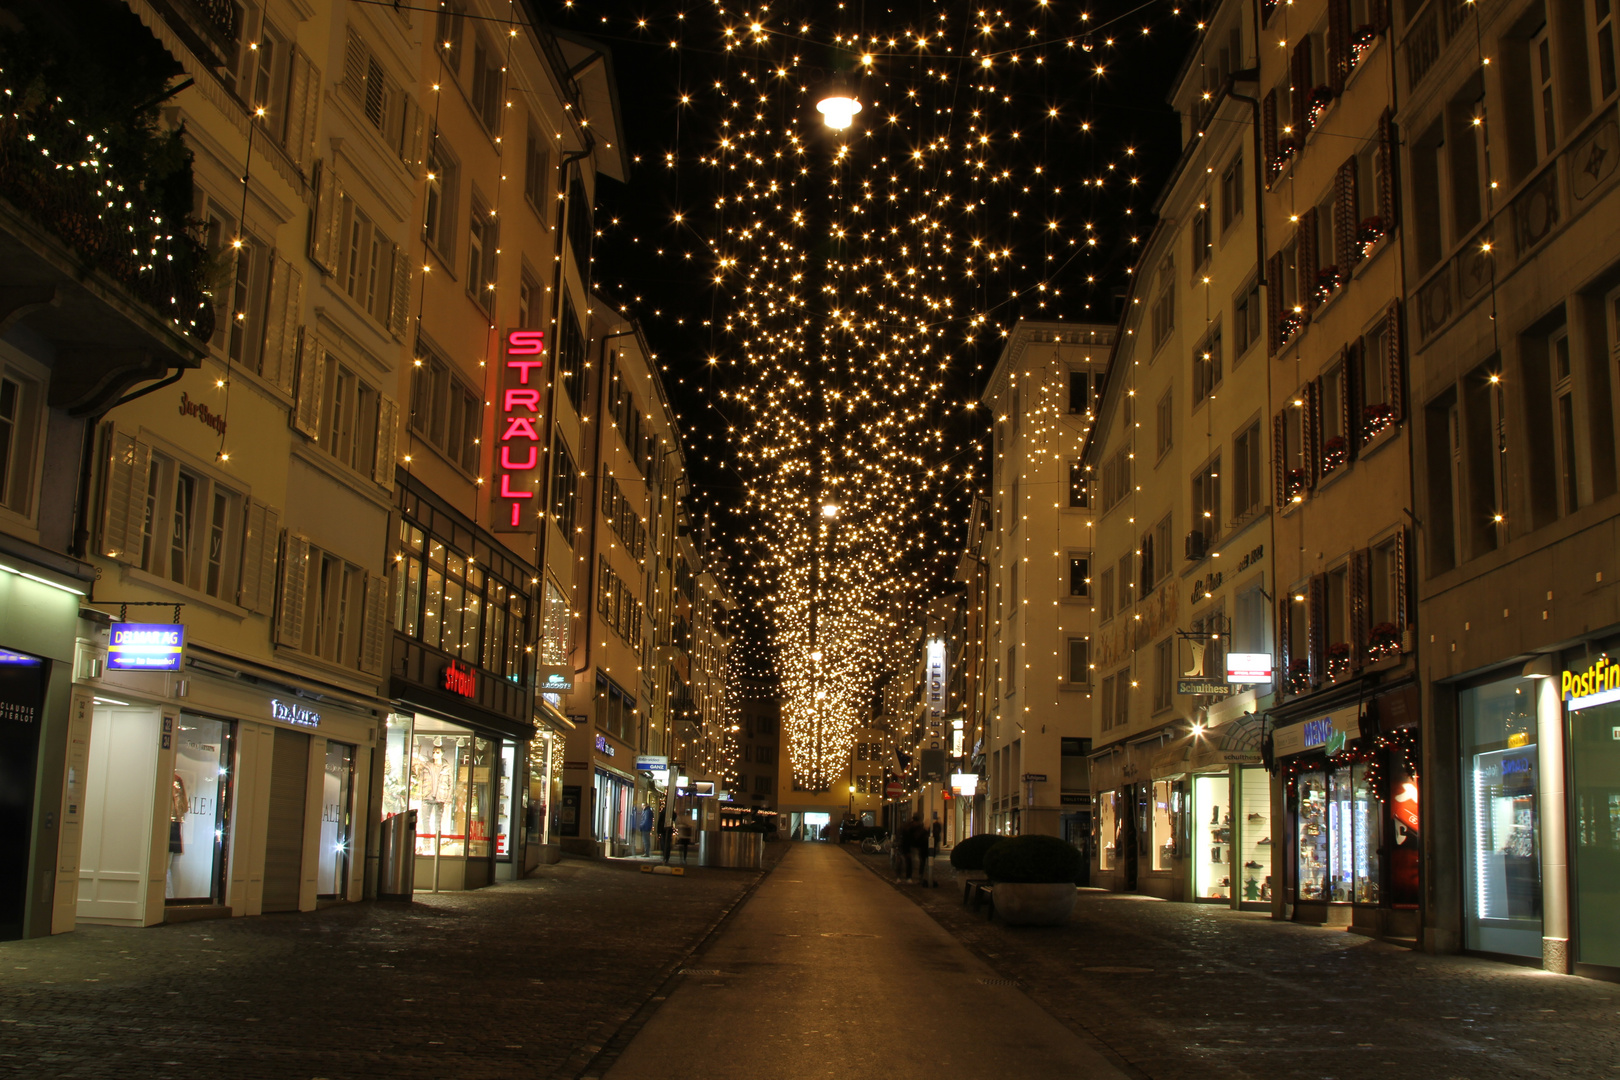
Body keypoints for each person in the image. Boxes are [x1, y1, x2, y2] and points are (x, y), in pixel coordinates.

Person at [899, 813, 930, 884]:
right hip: (911, 848)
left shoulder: (916, 828)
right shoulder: (909, 828)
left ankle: (915, 876)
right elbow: (906, 840)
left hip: (916, 848)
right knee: (909, 862)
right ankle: (909, 877)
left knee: (914, 862)